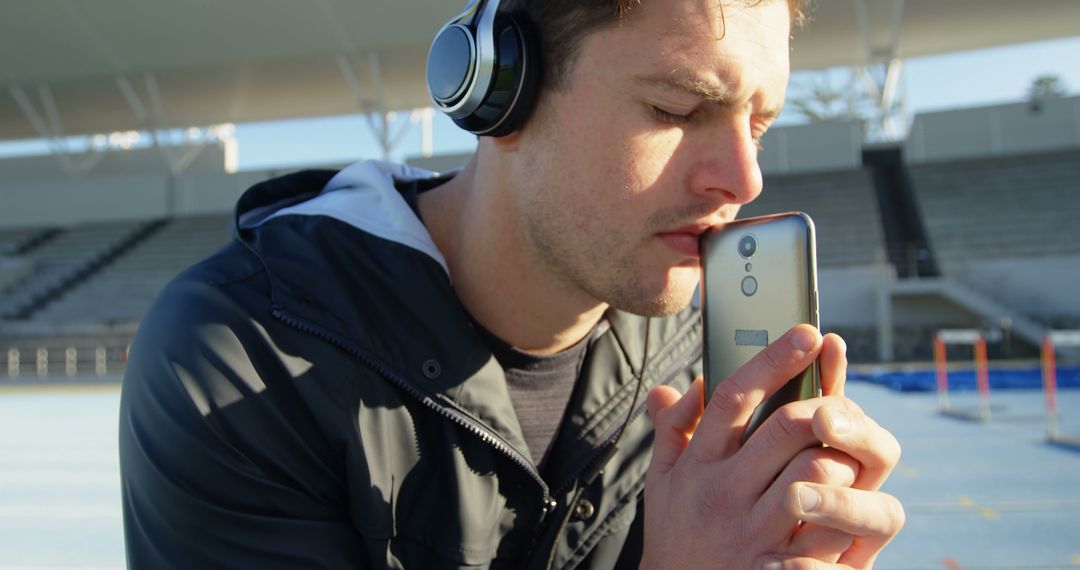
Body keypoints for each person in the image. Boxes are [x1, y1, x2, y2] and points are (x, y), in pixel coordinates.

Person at [118, 0, 905, 567]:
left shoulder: (697, 357)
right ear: (504, 92)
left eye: (758, 124)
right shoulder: (238, 354)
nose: (744, 177)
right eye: (678, 108)